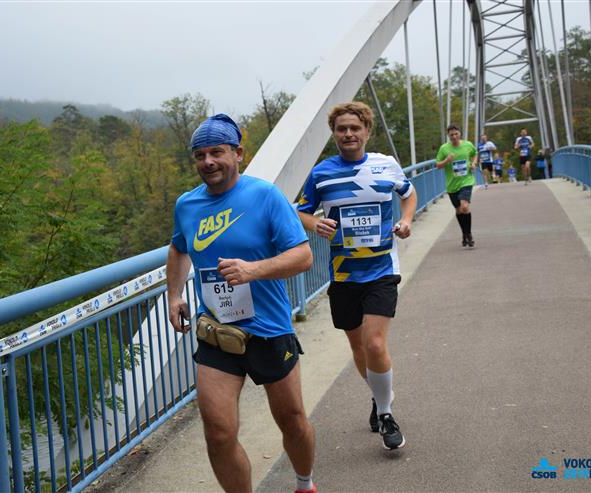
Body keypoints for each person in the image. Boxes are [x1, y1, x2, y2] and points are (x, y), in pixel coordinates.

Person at [167, 114, 317, 493]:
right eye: (200, 155)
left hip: (268, 330)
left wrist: (254, 270)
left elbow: (303, 256)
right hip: (217, 332)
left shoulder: (265, 196)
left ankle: (305, 484)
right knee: (218, 432)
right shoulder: (187, 205)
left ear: (238, 154)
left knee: (292, 420)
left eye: (216, 152)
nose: (208, 162)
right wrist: (174, 295)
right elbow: (179, 247)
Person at [297, 101, 417, 451]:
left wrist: (406, 220)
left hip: (382, 269)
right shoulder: (321, 173)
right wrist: (314, 223)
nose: (348, 134)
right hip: (343, 274)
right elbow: (300, 212)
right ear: (334, 134)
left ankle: (386, 413)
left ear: (367, 131)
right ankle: (380, 396)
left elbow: (408, 194)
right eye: (341, 129)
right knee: (359, 349)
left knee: (375, 343)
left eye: (355, 128)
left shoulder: (386, 165)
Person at [436, 124, 478, 247]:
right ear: (448, 136)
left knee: (464, 206)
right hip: (452, 184)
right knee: (458, 210)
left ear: (460, 133)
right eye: (451, 135)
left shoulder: (468, 145)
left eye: (456, 134)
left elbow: (475, 153)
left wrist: (474, 163)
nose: (454, 137)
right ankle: (464, 233)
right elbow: (438, 165)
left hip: (466, 181)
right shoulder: (444, 149)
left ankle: (469, 234)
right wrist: (447, 160)